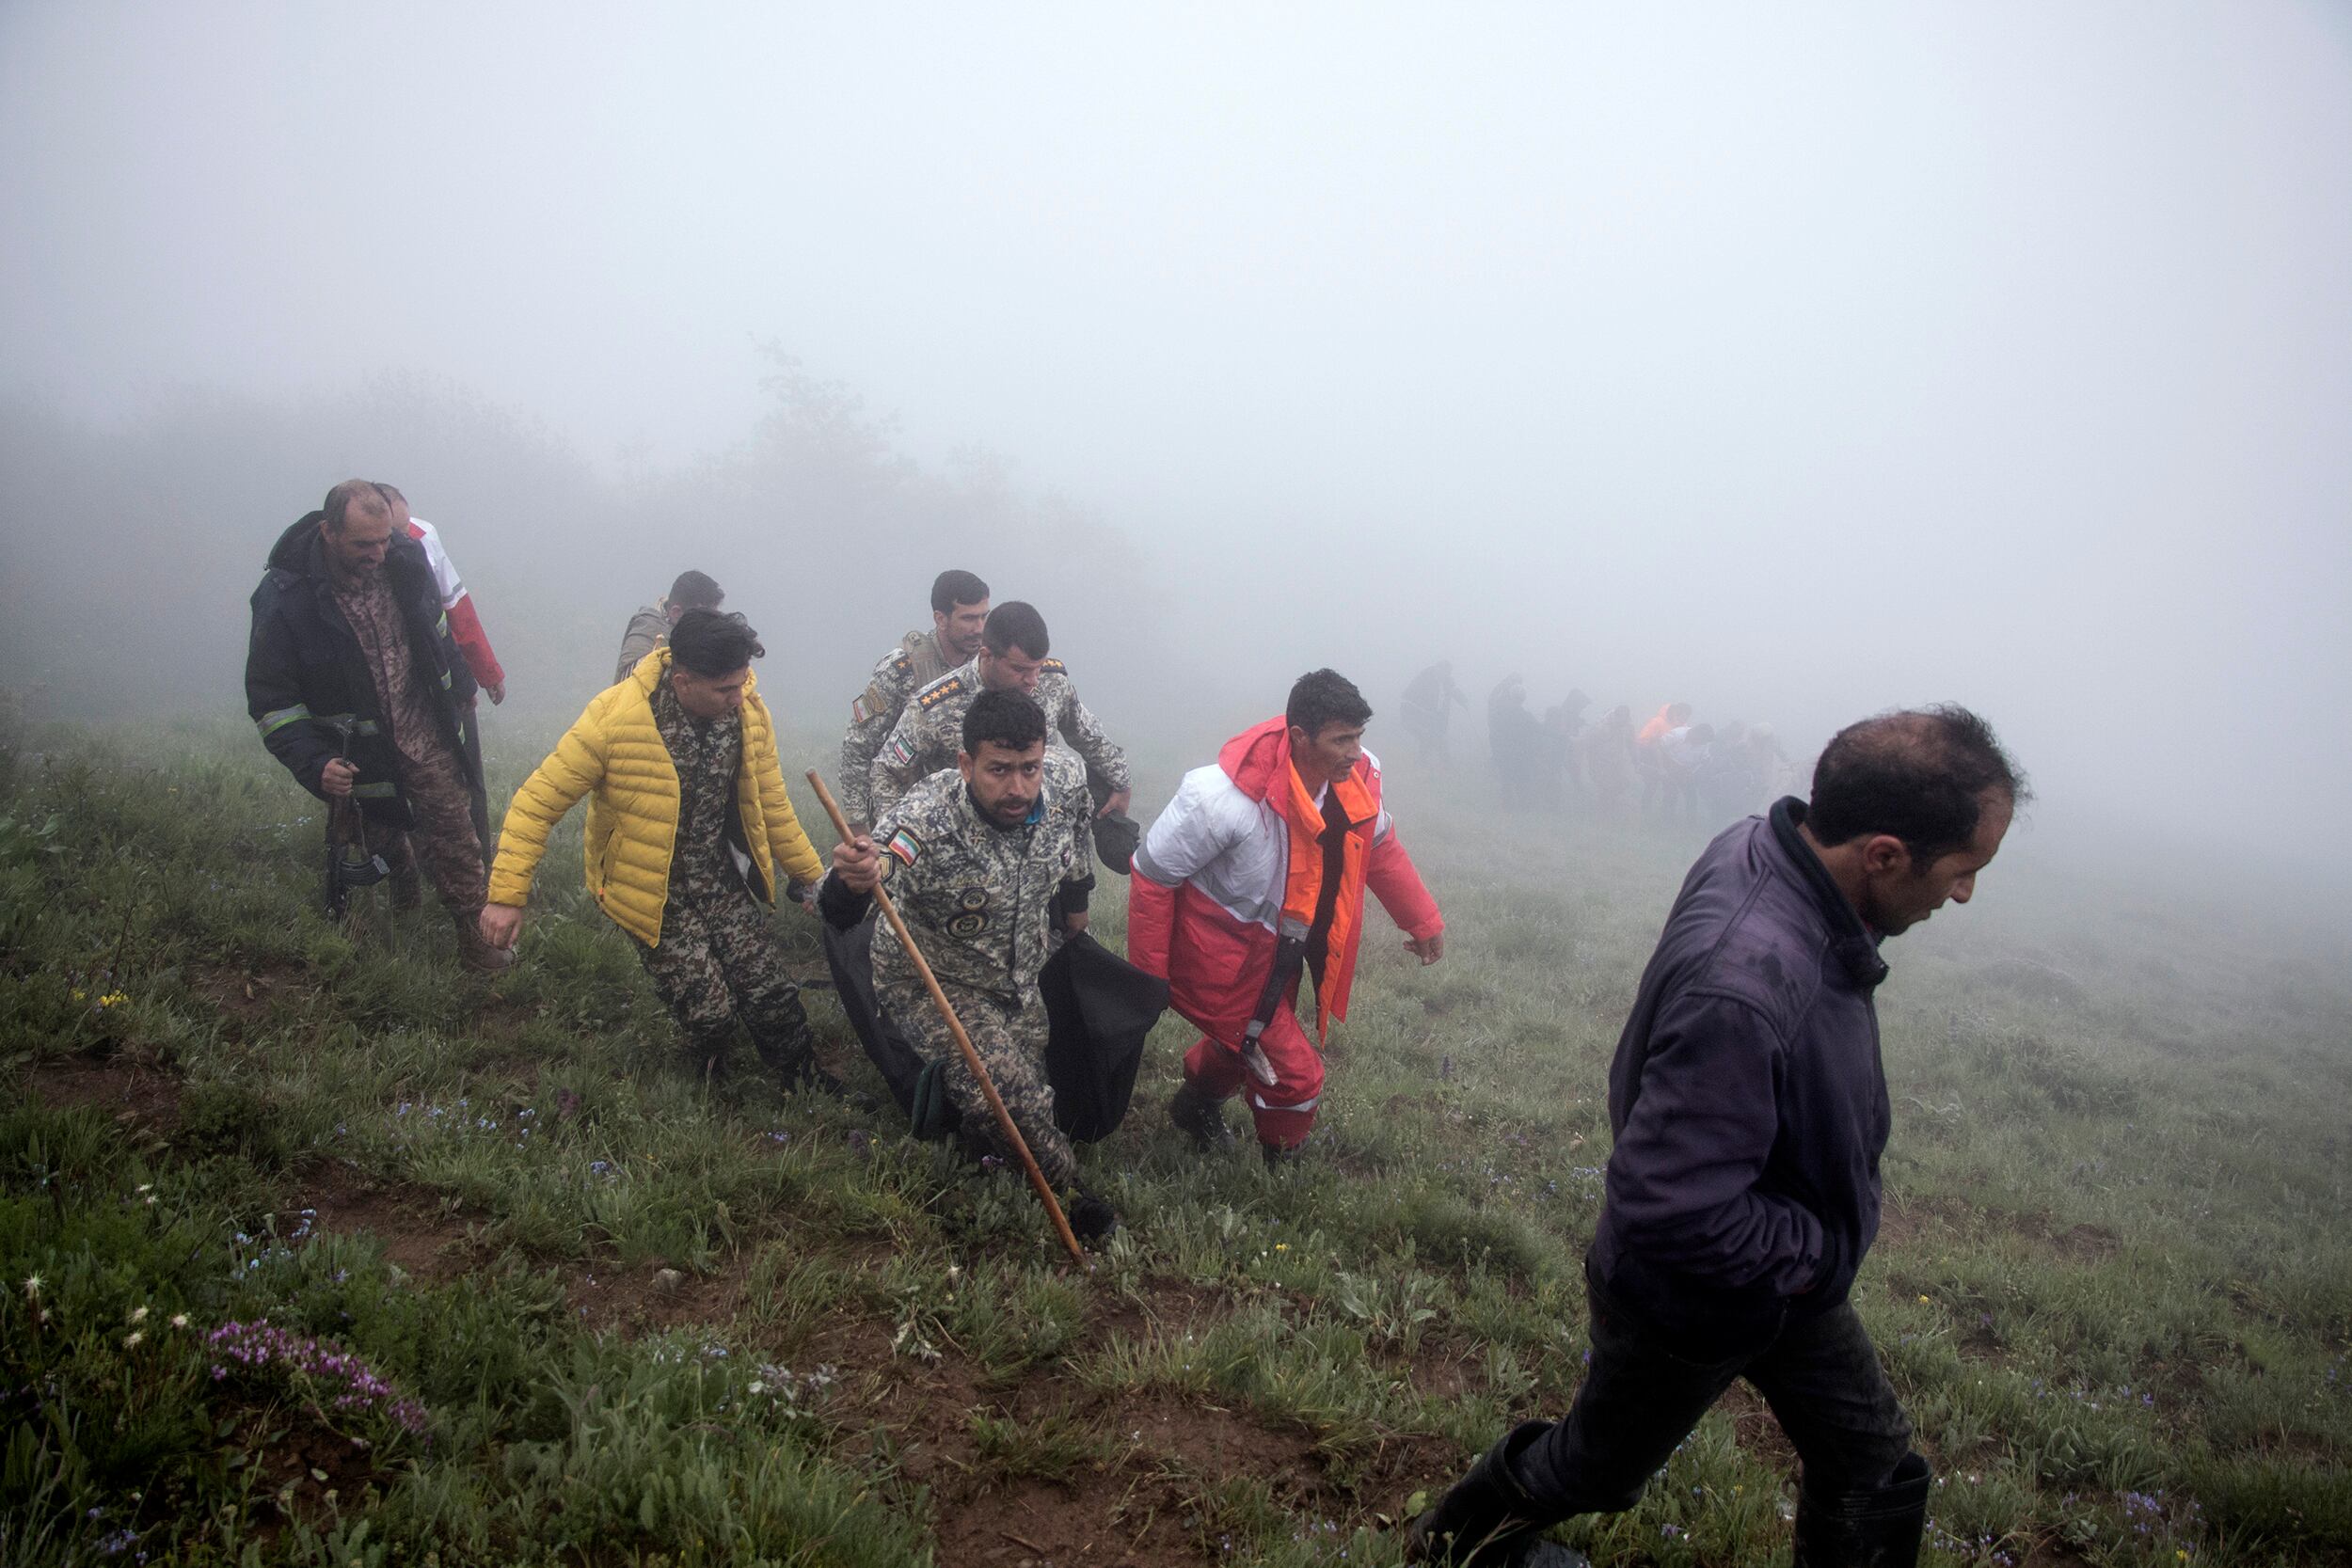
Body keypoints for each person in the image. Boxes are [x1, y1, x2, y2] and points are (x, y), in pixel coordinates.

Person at [1409, 706, 2028, 1568]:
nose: (1963, 893)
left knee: (1874, 1464)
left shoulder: (1767, 849)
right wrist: (1816, 1253)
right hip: (1691, 1298)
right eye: (1964, 870)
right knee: (1596, 1469)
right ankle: (1455, 1545)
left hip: (1780, 1276)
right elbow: (1672, 1207)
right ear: (1884, 854)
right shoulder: (1747, 985)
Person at [482, 610, 831, 1085]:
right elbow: (535, 803)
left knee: (770, 991)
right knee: (710, 1012)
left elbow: (770, 802)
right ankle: (711, 1079)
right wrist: (506, 895)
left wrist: (810, 879)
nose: (739, 697)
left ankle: (803, 1080)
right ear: (683, 681)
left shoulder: (748, 712)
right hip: (648, 888)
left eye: (743, 683)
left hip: (718, 878)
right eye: (725, 690)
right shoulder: (614, 718)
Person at [821, 690, 1115, 1238]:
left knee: (1036, 1097)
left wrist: (1076, 921)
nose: (1017, 788)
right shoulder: (925, 818)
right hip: (934, 983)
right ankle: (1075, 1202)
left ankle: (963, 1129)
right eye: (999, 770)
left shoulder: (1063, 787)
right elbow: (865, 879)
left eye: (1029, 769)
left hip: (1020, 981)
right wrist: (852, 877)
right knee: (1014, 1103)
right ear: (965, 764)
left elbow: (1076, 862)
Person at [1130, 669, 1445, 1164]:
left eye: (1359, 737)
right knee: (1297, 1073)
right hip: (1218, 957)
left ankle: (1196, 1106)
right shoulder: (1220, 798)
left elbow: (1377, 846)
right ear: (1299, 736)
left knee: (1244, 1039)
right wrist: (1146, 980)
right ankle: (1285, 1166)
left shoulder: (1355, 778)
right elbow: (1152, 877)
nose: (1356, 752)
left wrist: (1422, 921)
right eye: (1342, 740)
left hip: (1278, 953)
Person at [246, 481, 508, 970]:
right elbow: (271, 700)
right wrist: (315, 762)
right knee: (377, 836)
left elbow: (438, 635)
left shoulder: (406, 562)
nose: (378, 553)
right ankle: (397, 888)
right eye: (364, 544)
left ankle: (477, 941)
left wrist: (461, 687)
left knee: (456, 832)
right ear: (329, 533)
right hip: (352, 752)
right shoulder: (287, 598)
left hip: (421, 731)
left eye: (385, 539)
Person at [866, 601, 1131, 828]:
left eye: (1037, 668)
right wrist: (899, 840)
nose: (1033, 681)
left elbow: (1086, 733)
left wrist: (1120, 782)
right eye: (1020, 670)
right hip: (964, 844)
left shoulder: (1052, 683)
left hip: (1041, 839)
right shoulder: (936, 707)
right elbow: (888, 771)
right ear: (987, 655)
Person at [376, 483, 506, 857]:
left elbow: (457, 610)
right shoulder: (360, 550)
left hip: (441, 672)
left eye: (402, 531)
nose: (397, 543)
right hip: (391, 684)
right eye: (391, 534)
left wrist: (487, 673)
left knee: (467, 769)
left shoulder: (424, 536)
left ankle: (479, 854)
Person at [837, 569, 990, 832]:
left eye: (984, 616)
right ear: (940, 619)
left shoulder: (988, 666)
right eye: (968, 619)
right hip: (907, 815)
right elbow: (858, 747)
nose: (979, 629)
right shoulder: (901, 670)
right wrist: (857, 824)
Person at [615, 570, 726, 685]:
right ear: (676, 612)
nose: (710, 625)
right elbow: (632, 689)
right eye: (705, 617)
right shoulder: (646, 635)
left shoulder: (693, 638)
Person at [1400, 660, 1470, 763]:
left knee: (1437, 737)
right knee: (1428, 738)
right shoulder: (1424, 679)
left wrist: (1463, 701)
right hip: (1414, 715)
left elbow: (1454, 691)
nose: (1445, 675)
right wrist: (1428, 714)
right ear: (1437, 669)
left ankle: (1441, 764)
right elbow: (1412, 699)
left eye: (1447, 673)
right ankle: (1427, 764)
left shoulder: (1447, 681)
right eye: (1443, 672)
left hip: (1433, 717)